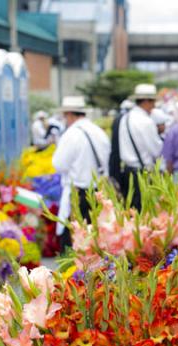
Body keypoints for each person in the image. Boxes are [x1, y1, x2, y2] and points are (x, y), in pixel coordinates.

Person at [52, 96, 110, 251]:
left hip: (77, 193)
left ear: (70, 114)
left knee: (74, 240)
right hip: (98, 192)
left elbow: (59, 164)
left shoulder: (71, 134)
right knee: (96, 241)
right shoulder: (99, 132)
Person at [117, 84, 163, 210]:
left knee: (131, 212)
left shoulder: (125, 118)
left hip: (127, 172)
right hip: (142, 173)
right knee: (145, 213)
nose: (154, 106)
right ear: (147, 101)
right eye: (153, 101)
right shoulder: (146, 121)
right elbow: (156, 150)